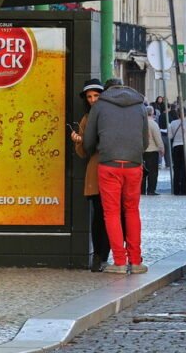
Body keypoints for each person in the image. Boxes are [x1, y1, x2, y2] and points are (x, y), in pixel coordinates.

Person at [81, 78, 149, 275]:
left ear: (107, 91)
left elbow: (88, 142)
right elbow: (144, 142)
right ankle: (135, 261)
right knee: (131, 211)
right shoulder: (139, 105)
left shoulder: (100, 106)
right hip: (134, 165)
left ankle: (119, 262)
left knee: (111, 213)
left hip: (109, 164)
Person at [71, 79, 112, 271]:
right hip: (95, 171)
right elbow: (83, 153)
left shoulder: (111, 116)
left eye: (96, 95)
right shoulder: (86, 119)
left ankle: (107, 254)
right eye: (89, 97)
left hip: (112, 168)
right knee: (98, 215)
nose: (93, 99)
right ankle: (99, 255)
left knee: (110, 215)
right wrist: (79, 141)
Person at [167, 109, 186, 195]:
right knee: (185, 169)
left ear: (177, 114)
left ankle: (176, 189)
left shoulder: (172, 123)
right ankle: (184, 189)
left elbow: (170, 136)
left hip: (176, 147)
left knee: (176, 168)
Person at [142, 105, 164, 196]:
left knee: (142, 173)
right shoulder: (153, 124)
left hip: (142, 151)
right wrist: (161, 148)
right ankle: (151, 190)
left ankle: (141, 190)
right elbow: (157, 138)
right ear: (152, 113)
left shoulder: (140, 123)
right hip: (152, 150)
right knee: (153, 172)